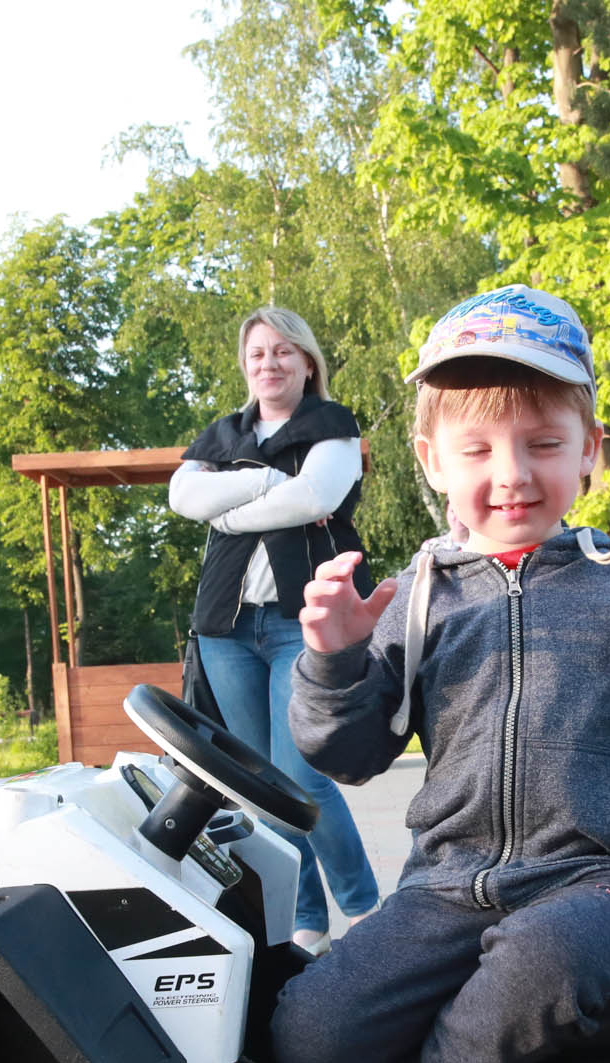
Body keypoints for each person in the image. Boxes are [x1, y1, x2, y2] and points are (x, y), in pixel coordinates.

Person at [272, 285, 610, 1063]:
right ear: (431, 459)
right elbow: (349, 756)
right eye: (476, 450)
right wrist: (334, 660)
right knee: (311, 1037)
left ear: (587, 451)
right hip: (446, 886)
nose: (512, 475)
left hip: (607, 882)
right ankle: (479, 1060)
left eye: (543, 444)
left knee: (543, 960)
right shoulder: (415, 599)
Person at [169, 307, 381, 954]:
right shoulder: (223, 433)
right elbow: (184, 497)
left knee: (302, 774)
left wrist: (231, 507)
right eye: (258, 353)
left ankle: (365, 910)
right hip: (226, 628)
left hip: (301, 622)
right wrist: (266, 480)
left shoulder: (332, 426)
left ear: (307, 362)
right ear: (245, 364)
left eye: (284, 351)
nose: (270, 363)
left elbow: (314, 497)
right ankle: (306, 920)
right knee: (260, 787)